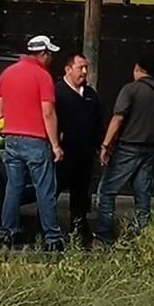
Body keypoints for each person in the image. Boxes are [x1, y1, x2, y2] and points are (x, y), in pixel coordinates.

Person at [0, 35, 64, 251]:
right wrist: (55, 146)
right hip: (36, 140)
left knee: (13, 188)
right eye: (49, 54)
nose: (51, 58)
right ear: (42, 54)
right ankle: (52, 238)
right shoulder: (43, 76)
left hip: (11, 138)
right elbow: (48, 113)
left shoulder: (8, 73)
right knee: (45, 190)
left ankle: (6, 234)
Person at [96, 54, 154, 244]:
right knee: (143, 196)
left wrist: (105, 145)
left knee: (107, 191)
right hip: (151, 150)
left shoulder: (130, 89)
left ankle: (104, 237)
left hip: (128, 147)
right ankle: (142, 238)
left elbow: (118, 118)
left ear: (137, 68)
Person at [55, 53, 102, 241]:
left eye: (86, 68)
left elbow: (98, 121)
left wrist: (100, 145)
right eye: (80, 67)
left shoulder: (90, 95)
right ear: (68, 69)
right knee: (54, 189)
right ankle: (48, 228)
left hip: (85, 153)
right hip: (63, 152)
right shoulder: (57, 91)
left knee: (81, 193)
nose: (84, 72)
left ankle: (79, 230)